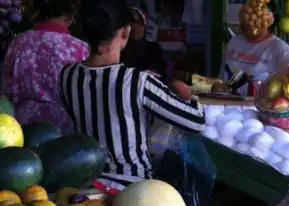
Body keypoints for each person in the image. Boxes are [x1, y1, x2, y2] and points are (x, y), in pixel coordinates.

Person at [59, 0, 206, 192]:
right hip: (132, 189)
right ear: (125, 33)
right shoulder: (137, 81)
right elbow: (196, 122)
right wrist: (186, 94)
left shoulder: (67, 75)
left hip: (88, 184)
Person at [3, 0, 88, 133]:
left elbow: (7, 91)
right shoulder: (80, 49)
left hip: (21, 130)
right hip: (66, 134)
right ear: (70, 15)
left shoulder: (18, 43)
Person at [220, 2, 289, 95]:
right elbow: (221, 77)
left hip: (255, 107)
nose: (250, 25)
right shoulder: (234, 42)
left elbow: (286, 85)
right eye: (247, 20)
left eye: (256, 22)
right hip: (223, 104)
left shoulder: (280, 48)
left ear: (268, 22)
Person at [120, 7, 169, 82]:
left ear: (144, 24)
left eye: (138, 22)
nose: (134, 26)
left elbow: (159, 74)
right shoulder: (119, 51)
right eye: (130, 22)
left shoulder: (153, 48)